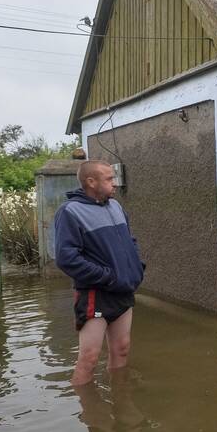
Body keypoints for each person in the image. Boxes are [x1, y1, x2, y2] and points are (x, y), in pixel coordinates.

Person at [54, 160, 145, 386]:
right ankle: (90, 416)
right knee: (89, 358)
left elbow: (130, 241)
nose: (114, 184)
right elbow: (67, 258)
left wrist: (136, 268)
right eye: (109, 179)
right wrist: (108, 277)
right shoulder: (70, 212)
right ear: (91, 182)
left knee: (122, 350)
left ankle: (120, 398)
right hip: (96, 293)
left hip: (123, 290)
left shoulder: (115, 206)